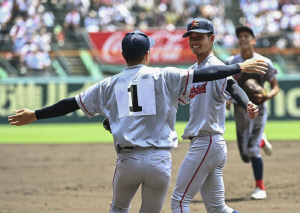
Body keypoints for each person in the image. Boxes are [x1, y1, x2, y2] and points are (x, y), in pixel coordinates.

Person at [8, 30, 267, 213]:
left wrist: (36, 114)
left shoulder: (108, 84)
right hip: (159, 161)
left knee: (119, 209)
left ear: (122, 55)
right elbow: (206, 73)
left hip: (127, 160)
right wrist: (239, 67)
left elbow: (70, 104)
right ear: (148, 53)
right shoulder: (164, 76)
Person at [170, 18, 260, 213]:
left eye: (199, 37)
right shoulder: (193, 71)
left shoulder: (216, 66)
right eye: (191, 37)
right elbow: (179, 96)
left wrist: (247, 104)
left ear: (211, 39)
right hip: (208, 144)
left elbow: (232, 87)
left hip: (207, 142)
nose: (194, 41)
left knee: (179, 202)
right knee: (218, 209)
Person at [225, 25, 279, 200]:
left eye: (247, 36)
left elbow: (275, 86)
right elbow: (224, 86)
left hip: (259, 110)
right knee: (245, 156)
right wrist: (226, 99)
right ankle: (261, 141)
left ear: (254, 40)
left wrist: (266, 96)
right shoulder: (231, 62)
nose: (243, 38)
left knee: (252, 150)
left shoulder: (264, 62)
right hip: (239, 110)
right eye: (240, 36)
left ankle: (260, 188)